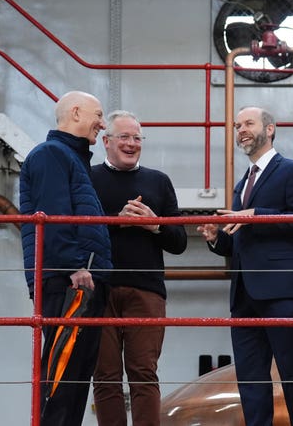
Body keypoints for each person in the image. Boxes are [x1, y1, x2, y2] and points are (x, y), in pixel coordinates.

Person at [197, 106, 293, 426]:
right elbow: (237, 242)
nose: (241, 130)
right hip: (244, 295)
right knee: (250, 380)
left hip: (281, 292)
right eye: (237, 126)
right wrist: (215, 239)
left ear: (271, 129)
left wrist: (255, 214)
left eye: (248, 123)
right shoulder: (241, 186)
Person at [20, 90, 113, 426]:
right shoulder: (51, 155)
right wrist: (74, 266)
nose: (102, 125)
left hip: (79, 281)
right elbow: (53, 215)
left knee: (73, 380)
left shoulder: (69, 158)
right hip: (69, 282)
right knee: (63, 379)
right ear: (76, 112)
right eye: (98, 115)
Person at [91, 110, 187, 426]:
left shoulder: (158, 181)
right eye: (124, 137)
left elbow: (179, 241)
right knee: (104, 375)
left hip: (146, 291)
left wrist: (154, 225)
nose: (132, 144)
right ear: (106, 141)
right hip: (99, 289)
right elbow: (79, 235)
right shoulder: (88, 179)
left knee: (144, 374)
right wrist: (117, 221)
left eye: (137, 138)